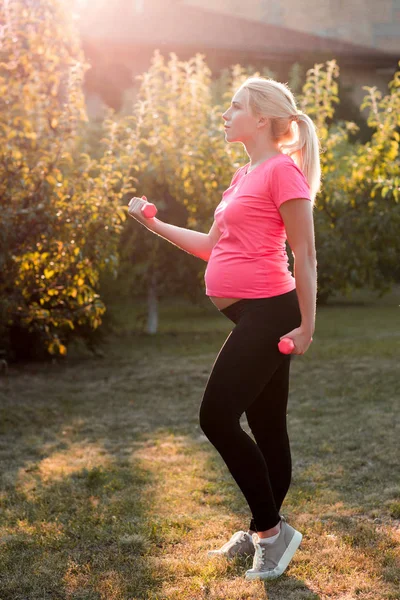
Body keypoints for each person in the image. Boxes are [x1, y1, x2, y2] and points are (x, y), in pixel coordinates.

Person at [127, 76, 320, 581]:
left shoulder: (283, 172)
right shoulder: (242, 174)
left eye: (234, 107)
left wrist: (306, 327)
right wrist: (155, 224)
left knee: (216, 417)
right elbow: (212, 246)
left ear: (261, 119)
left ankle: (272, 533)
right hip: (250, 312)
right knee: (268, 426)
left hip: (271, 310)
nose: (225, 114)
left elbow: (305, 256)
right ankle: (263, 530)